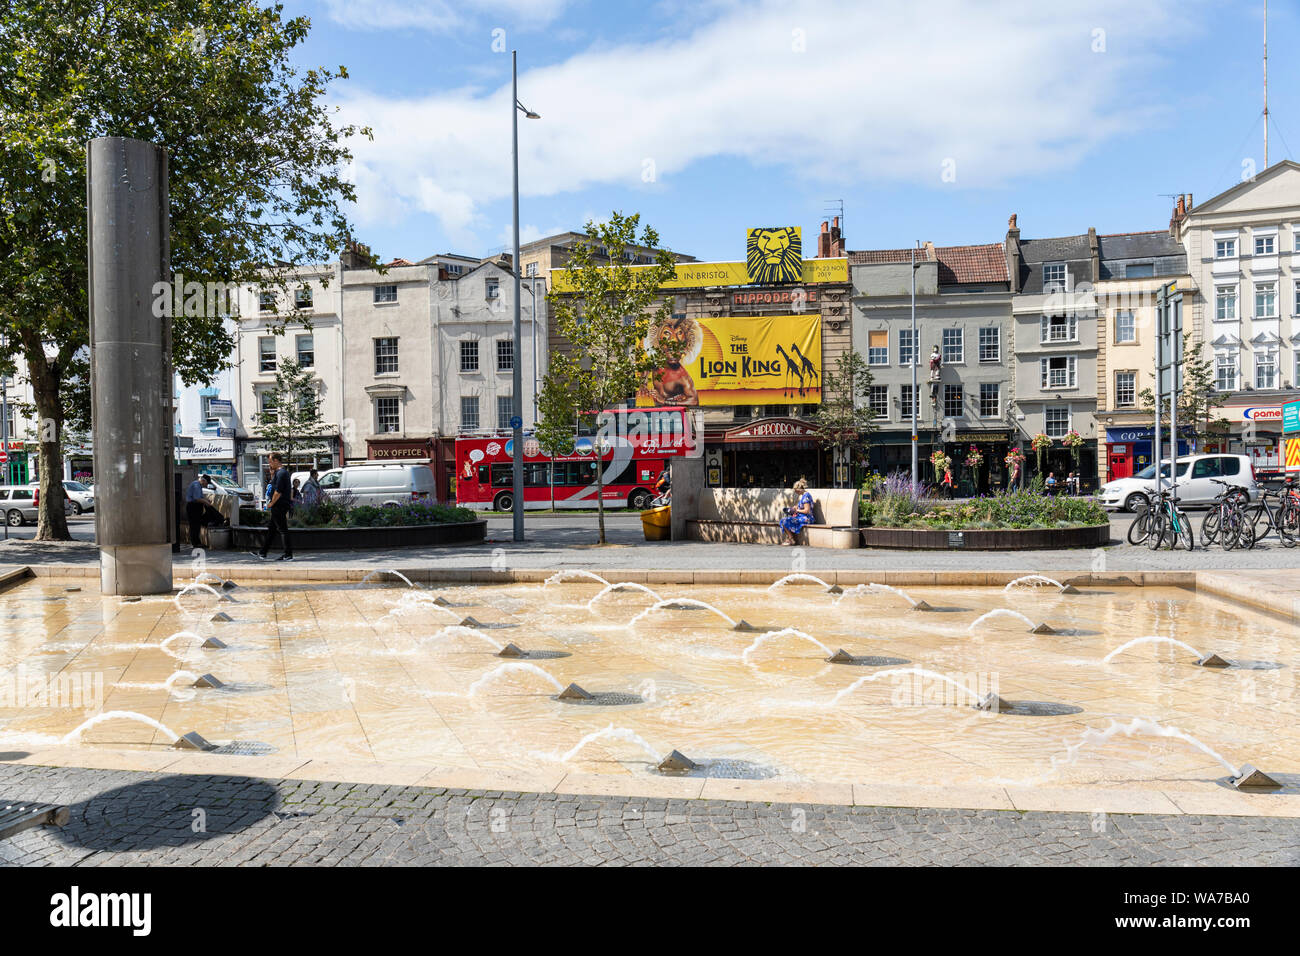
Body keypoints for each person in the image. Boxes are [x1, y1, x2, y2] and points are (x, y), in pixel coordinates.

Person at [257, 453, 294, 561]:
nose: (269, 464)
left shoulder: (282, 473)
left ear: (276, 460)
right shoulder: (279, 473)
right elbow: (274, 486)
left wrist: (271, 504)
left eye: (270, 461)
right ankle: (263, 552)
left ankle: (288, 554)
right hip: (280, 505)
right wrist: (272, 474)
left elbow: (278, 491)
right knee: (272, 529)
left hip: (279, 505)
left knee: (283, 530)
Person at [778, 478, 814, 545]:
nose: (796, 492)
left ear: (800, 489)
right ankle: (790, 538)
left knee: (785, 521)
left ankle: (791, 539)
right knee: (785, 520)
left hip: (807, 518)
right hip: (802, 516)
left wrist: (797, 510)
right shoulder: (804, 496)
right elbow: (802, 507)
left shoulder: (806, 497)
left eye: (796, 491)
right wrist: (796, 508)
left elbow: (807, 510)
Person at [184, 474, 211, 552]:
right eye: (206, 483)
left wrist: (206, 500)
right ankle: (196, 543)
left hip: (195, 507)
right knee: (194, 525)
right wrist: (206, 503)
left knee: (196, 525)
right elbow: (197, 498)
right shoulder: (196, 485)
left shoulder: (197, 485)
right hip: (193, 507)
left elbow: (200, 497)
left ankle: (197, 542)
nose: (206, 485)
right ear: (203, 481)